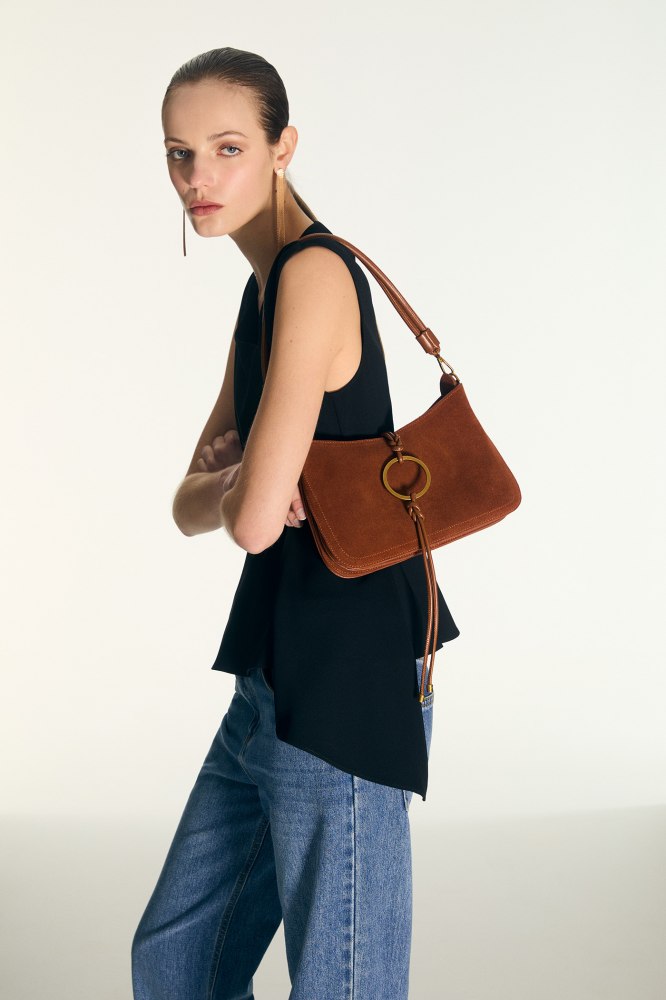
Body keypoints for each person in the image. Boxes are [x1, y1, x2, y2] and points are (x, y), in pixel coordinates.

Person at [131, 46, 460, 999]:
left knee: (343, 985)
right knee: (175, 960)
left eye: (227, 148)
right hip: (273, 676)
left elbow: (243, 524)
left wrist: (237, 491)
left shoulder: (314, 275)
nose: (198, 177)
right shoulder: (262, 289)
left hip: (346, 678)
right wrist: (243, 485)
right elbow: (195, 503)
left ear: (283, 148)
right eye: (180, 154)